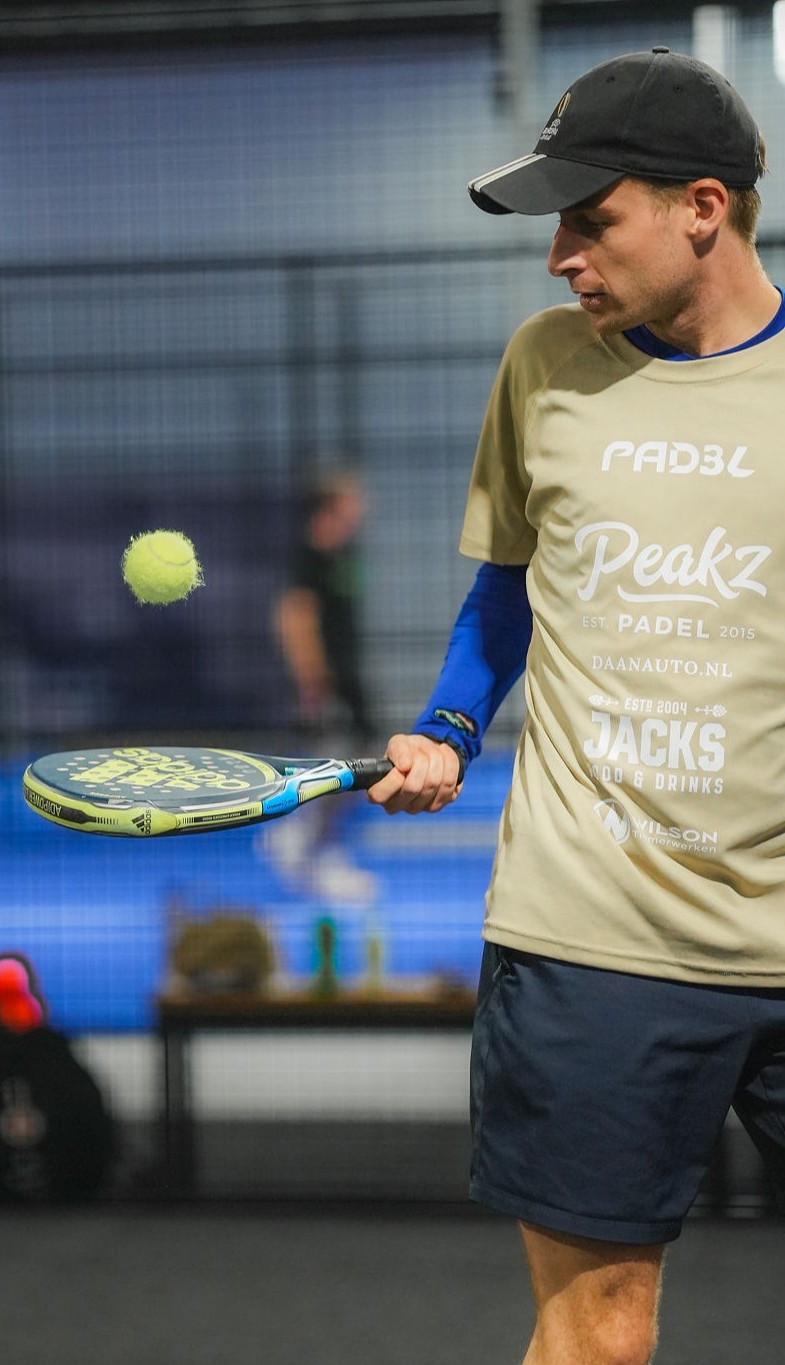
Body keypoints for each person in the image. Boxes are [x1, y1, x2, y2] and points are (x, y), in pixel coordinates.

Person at [366, 47, 785, 1365]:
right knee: (600, 1331)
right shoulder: (543, 366)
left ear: (701, 209)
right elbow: (502, 598)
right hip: (588, 938)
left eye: (590, 218)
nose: (560, 255)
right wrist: (445, 727)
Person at [263, 470, 379, 904]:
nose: (363, 506)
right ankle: (312, 851)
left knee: (360, 765)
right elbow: (294, 618)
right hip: (326, 683)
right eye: (353, 498)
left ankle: (310, 845)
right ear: (331, 505)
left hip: (351, 681)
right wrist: (312, 679)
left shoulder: (339, 554)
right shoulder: (308, 558)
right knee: (335, 771)